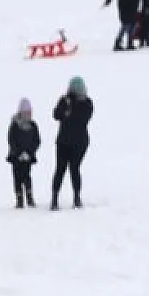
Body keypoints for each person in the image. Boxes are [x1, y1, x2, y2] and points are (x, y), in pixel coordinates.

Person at [51, 77, 93, 210]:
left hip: (78, 143)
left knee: (73, 169)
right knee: (62, 169)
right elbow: (56, 114)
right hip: (65, 142)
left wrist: (68, 113)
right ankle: (55, 198)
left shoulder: (87, 103)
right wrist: (66, 111)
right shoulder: (65, 100)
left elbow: (82, 119)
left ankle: (76, 197)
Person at [7, 98, 41, 209]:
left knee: (27, 176)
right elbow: (11, 140)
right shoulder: (14, 125)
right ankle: (19, 200)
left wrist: (29, 153)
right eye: (25, 112)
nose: (28, 114)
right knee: (17, 177)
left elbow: (37, 141)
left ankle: (30, 198)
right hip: (16, 157)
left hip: (28, 157)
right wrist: (19, 153)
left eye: (29, 112)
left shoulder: (33, 125)